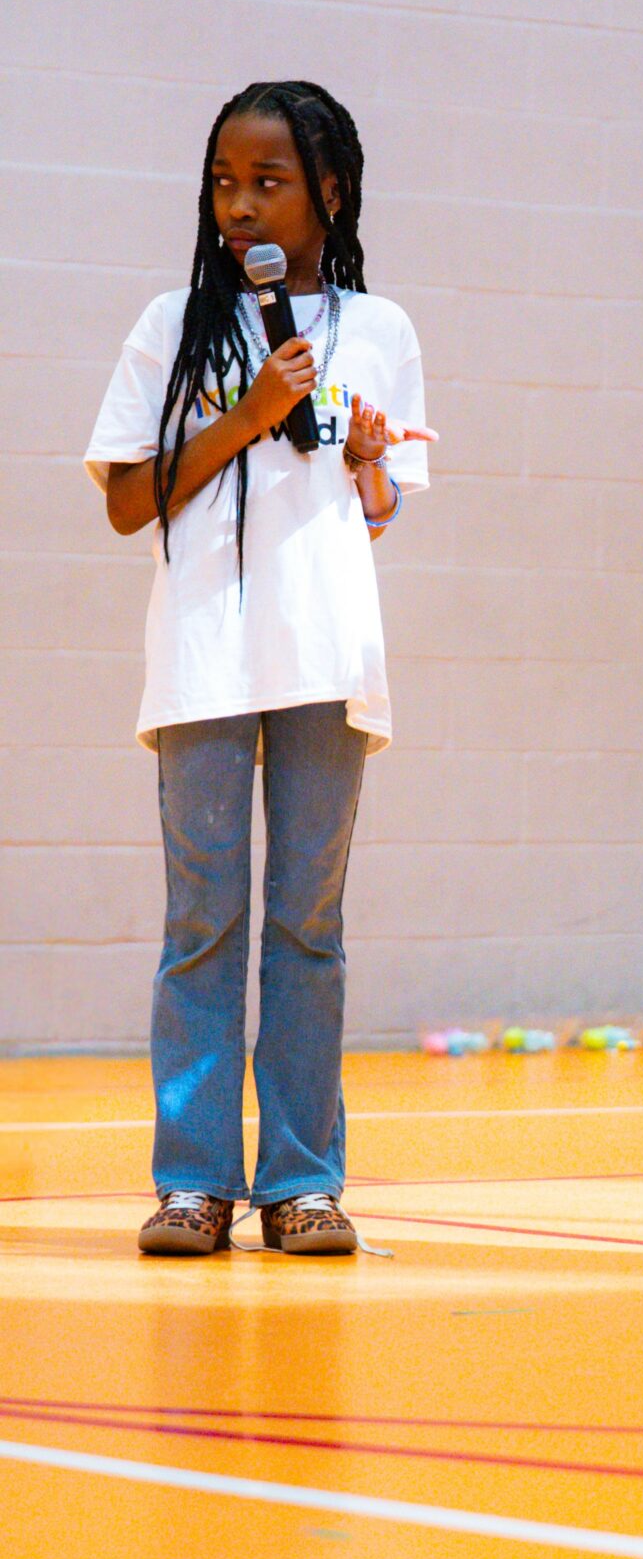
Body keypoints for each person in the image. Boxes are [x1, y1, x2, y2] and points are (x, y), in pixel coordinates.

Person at [86, 80, 435, 1257]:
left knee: (307, 925)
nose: (241, 207)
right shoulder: (166, 326)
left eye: (269, 183)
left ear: (329, 193)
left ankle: (301, 1182)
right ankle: (193, 1180)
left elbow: (374, 509)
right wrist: (241, 417)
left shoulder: (378, 328)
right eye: (225, 184)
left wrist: (372, 460)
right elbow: (130, 501)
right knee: (202, 924)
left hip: (327, 656)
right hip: (201, 664)